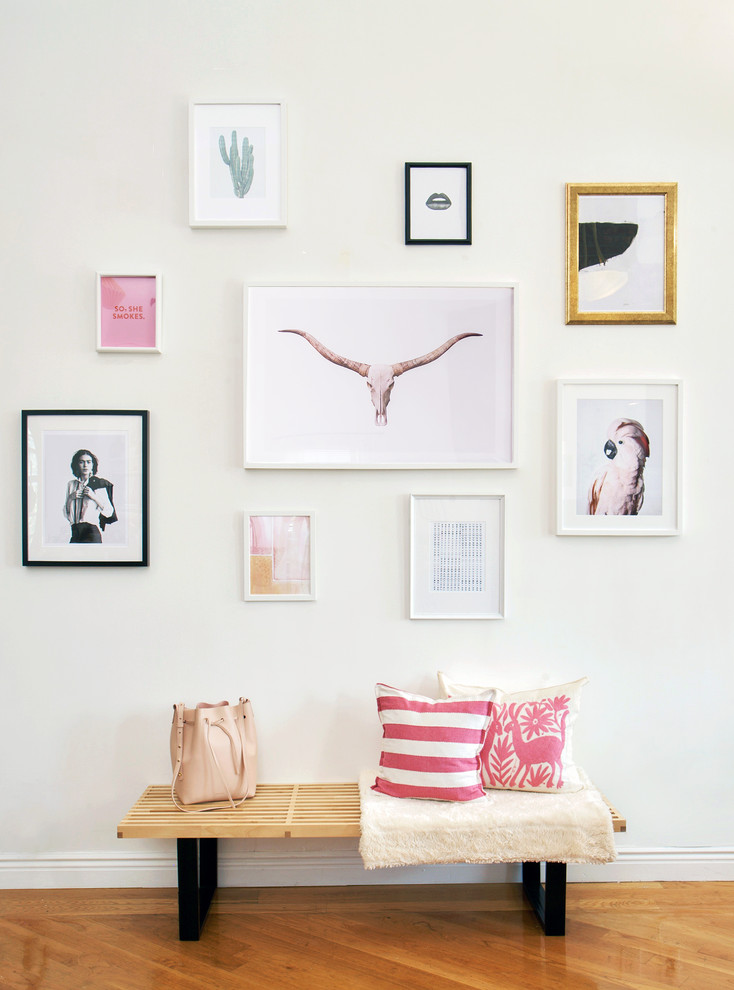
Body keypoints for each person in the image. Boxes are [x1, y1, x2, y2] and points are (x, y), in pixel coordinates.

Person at [64, 449, 118, 544]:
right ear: (77, 465)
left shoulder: (98, 484)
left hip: (91, 533)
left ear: (92, 465)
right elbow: (67, 514)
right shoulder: (71, 485)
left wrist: (94, 497)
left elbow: (109, 511)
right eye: (81, 462)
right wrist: (70, 498)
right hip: (75, 533)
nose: (85, 465)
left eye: (88, 462)